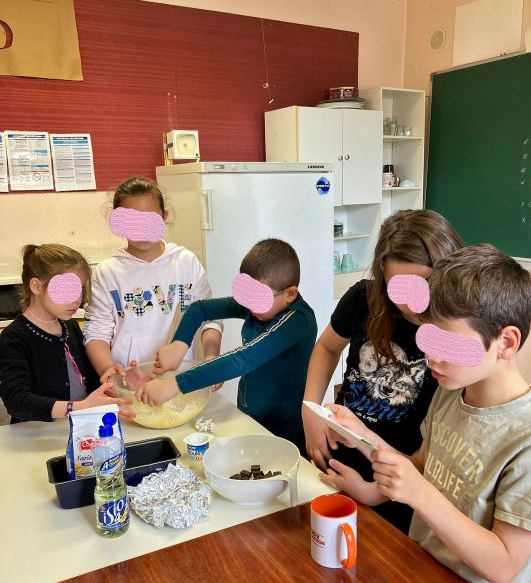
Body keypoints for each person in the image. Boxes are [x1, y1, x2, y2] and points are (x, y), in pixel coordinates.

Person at [321, 245, 531, 583]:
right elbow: (422, 464)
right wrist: (364, 437)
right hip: (425, 577)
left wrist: (419, 494)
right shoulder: (451, 393)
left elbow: (504, 565)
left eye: (448, 344)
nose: (430, 357)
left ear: (506, 343)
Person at [303, 209, 463, 533]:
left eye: (424, 286)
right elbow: (327, 347)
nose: (411, 303)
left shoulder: (456, 335)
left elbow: (425, 458)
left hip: (398, 483)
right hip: (339, 456)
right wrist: (310, 411)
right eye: (398, 288)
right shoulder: (362, 298)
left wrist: (372, 490)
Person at [138, 239, 317, 455]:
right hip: (249, 414)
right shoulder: (256, 307)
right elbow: (200, 309)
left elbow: (243, 359)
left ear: (290, 294)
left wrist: (174, 385)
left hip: (283, 427)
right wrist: (179, 344)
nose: (250, 305)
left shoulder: (297, 320)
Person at [83, 177, 223, 381]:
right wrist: (107, 369)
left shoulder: (186, 262)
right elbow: (97, 331)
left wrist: (212, 357)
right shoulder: (107, 272)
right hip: (129, 382)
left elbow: (209, 317)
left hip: (178, 382)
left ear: (164, 217)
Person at [0, 244, 129, 424]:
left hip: (78, 425)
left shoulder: (70, 326)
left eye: (80, 289)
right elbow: (17, 401)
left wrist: (112, 380)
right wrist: (76, 407)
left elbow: (90, 381)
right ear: (36, 286)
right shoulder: (13, 338)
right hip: (36, 432)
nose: (77, 299)